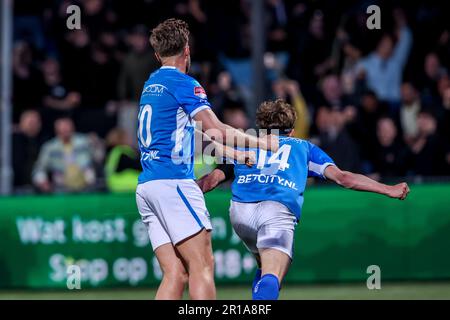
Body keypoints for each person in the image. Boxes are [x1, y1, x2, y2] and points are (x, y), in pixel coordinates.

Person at [197, 99, 410, 300]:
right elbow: (343, 178)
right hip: (275, 210)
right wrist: (387, 189)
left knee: (263, 266)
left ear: (261, 126)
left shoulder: (245, 144)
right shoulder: (303, 147)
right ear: (291, 129)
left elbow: (213, 179)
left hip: (240, 212)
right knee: (272, 276)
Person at [135, 18, 278, 300]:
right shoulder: (185, 83)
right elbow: (216, 129)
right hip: (173, 182)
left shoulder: (151, 84)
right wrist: (261, 142)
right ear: (187, 50)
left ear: (157, 55)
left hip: (147, 187)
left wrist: (235, 155)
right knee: (202, 264)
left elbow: (191, 136)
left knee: (175, 272)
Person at [32, 117, 96, 193]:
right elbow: (39, 168)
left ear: (73, 128)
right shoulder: (50, 147)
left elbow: (99, 157)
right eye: (62, 129)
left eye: (67, 128)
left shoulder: (84, 142)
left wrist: (97, 143)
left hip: (87, 187)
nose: (65, 131)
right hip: (61, 189)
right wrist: (42, 181)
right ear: (57, 131)